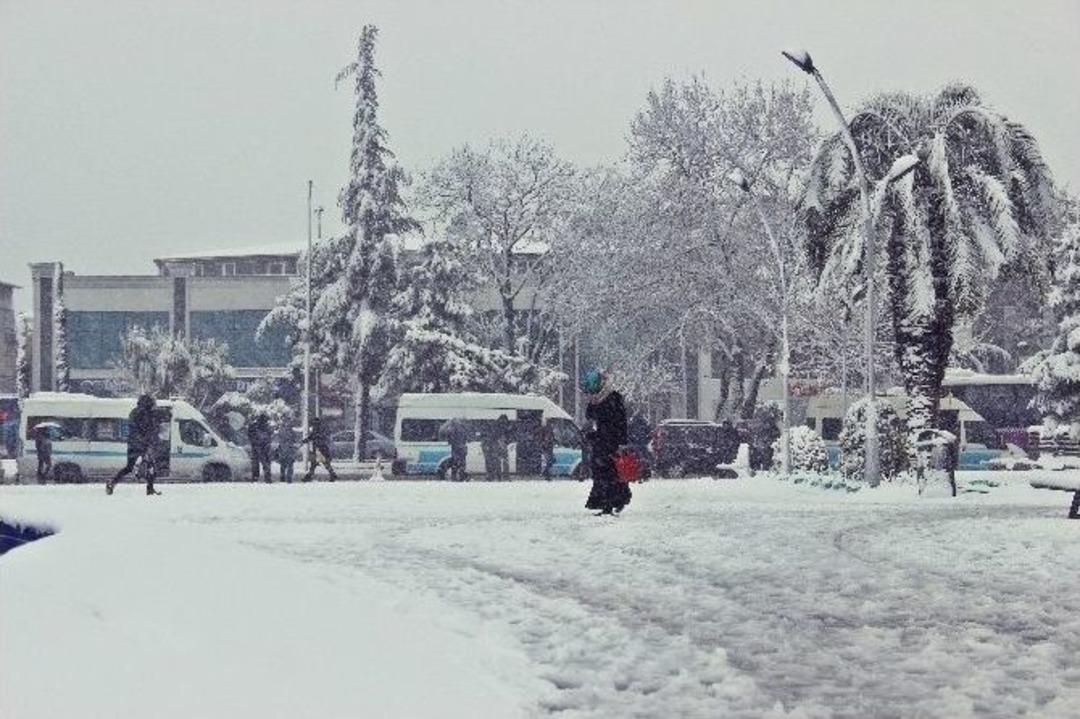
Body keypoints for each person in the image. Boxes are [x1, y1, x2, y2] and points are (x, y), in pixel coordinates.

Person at [582, 368, 631, 516]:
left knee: (609, 474)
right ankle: (613, 500)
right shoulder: (597, 399)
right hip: (600, 442)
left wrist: (621, 443)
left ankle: (609, 504)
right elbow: (590, 415)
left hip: (611, 442)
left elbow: (621, 423)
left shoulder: (614, 398)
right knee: (602, 473)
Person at [107, 394, 162, 496]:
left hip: (133, 444)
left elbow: (138, 429)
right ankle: (150, 489)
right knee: (151, 467)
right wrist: (147, 441)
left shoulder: (136, 412)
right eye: (152, 402)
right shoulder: (144, 413)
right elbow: (148, 429)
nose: (153, 404)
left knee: (129, 467)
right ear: (148, 403)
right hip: (142, 444)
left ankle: (113, 482)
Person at [301, 417, 338, 481]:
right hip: (320, 448)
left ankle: (309, 476)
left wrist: (306, 440)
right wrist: (306, 440)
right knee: (319, 463)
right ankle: (332, 474)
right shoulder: (319, 429)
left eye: (314, 423)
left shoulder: (318, 429)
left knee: (319, 463)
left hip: (320, 449)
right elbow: (313, 436)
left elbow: (313, 436)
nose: (313, 424)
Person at [438, 417, 469, 482]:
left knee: (456, 463)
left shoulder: (451, 428)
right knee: (460, 464)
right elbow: (466, 437)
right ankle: (459, 477)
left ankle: (456, 476)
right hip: (460, 448)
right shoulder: (463, 428)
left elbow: (443, 433)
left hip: (456, 448)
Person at [247, 412, 273, 482]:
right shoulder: (266, 427)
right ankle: (267, 478)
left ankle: (255, 477)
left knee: (256, 463)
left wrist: (254, 443)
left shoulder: (253, 426)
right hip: (264, 447)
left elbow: (250, 436)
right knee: (265, 463)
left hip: (257, 447)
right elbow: (269, 436)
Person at [627, 411, 652, 480]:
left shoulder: (631, 423)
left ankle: (635, 474)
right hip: (642, 444)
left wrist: (630, 441)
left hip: (634, 445)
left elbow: (628, 433)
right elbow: (649, 434)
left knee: (635, 459)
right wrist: (646, 441)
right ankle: (644, 474)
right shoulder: (645, 423)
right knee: (644, 459)